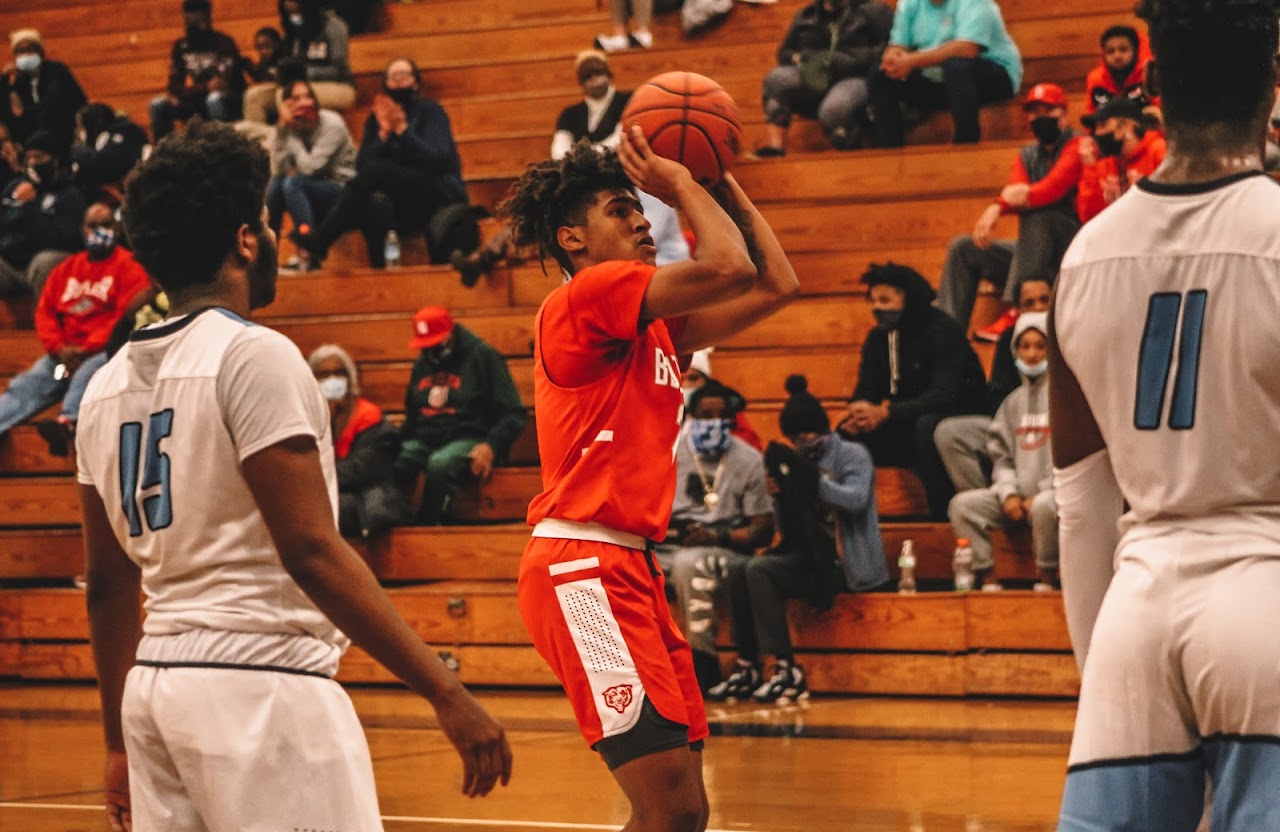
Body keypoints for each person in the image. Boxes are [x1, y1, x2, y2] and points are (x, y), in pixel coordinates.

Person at [78, 121, 510, 832]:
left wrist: (117, 743)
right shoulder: (255, 356)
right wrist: (446, 690)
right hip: (260, 689)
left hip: (154, 690)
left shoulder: (103, 386)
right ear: (248, 239)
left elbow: (107, 587)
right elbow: (310, 549)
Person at [503, 131, 798, 828]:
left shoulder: (653, 328)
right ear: (572, 238)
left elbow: (779, 283)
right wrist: (679, 186)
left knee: (685, 811)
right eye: (619, 210)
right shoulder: (587, 295)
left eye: (641, 209)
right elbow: (729, 265)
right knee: (665, 803)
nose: (642, 221)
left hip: (629, 567)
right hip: (582, 564)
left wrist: (727, 187)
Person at [1049, 0, 1280, 827]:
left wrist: (1101, 670)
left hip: (1134, 614)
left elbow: (1079, 503)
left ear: (1151, 89)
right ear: (1271, 85)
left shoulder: (1084, 254)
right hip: (1266, 596)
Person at [711, 374, 888, 704]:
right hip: (807, 555)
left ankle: (785, 667)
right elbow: (787, 526)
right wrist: (778, 497)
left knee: (761, 572)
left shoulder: (852, 455)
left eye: (810, 433)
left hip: (846, 563)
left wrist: (807, 481)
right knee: (741, 568)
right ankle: (748, 664)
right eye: (797, 436)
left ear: (822, 428)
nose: (805, 440)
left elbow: (855, 499)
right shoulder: (793, 461)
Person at [840, 262, 987, 521]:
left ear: (908, 299)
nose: (878, 308)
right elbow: (867, 388)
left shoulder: (943, 331)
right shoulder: (877, 338)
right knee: (844, 436)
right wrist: (859, 412)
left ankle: (941, 519)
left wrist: (887, 412)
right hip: (904, 418)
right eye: (873, 301)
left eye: (885, 300)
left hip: (955, 415)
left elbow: (944, 395)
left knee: (927, 427)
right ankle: (853, 522)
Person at [656, 380, 774, 692]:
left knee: (689, 563)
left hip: (725, 548)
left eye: (721, 416)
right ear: (690, 417)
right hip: (668, 541)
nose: (713, 423)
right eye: (705, 416)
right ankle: (645, 665)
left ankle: (703, 664)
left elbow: (763, 530)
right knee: (623, 563)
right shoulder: (667, 451)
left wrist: (717, 536)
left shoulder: (749, 459)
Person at [940, 83, 1081, 335]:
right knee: (963, 248)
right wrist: (1006, 202)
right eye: (1035, 112)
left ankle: (1019, 305)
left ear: (1064, 114)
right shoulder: (1027, 154)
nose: (1040, 118)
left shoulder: (1079, 145)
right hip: (1037, 253)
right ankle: (947, 334)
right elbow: (1016, 191)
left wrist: (997, 207)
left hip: (1073, 246)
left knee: (1040, 212)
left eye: (1048, 110)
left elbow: (1051, 189)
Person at [0, 203, 150, 442]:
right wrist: (59, 348)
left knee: (88, 373)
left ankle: (68, 422)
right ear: (82, 230)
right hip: (63, 354)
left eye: (106, 224)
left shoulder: (130, 266)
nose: (100, 231)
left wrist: (87, 349)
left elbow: (123, 318)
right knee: (28, 381)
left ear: (118, 229)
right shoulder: (66, 269)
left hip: (106, 352)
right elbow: (45, 313)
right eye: (93, 226)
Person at [298, 58, 466, 269]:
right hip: (398, 203)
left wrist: (403, 131)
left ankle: (321, 239)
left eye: (403, 75)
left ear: (416, 83)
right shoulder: (376, 118)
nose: (397, 80)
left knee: (378, 172)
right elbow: (361, 166)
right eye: (392, 76)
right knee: (374, 200)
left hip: (433, 192)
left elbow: (439, 159)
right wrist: (384, 136)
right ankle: (379, 271)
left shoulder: (430, 111)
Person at [947, 311, 1055, 591]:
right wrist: (1008, 494)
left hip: (1054, 496)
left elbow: (1071, 460)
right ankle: (988, 577)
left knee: (1044, 506)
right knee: (963, 505)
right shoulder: (1010, 403)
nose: (1031, 354)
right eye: (1024, 346)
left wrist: (1041, 492)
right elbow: (1001, 457)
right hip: (1015, 497)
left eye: (1040, 346)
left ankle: (1048, 576)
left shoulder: (1064, 397)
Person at [393, 306, 528, 525]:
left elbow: (513, 414)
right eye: (424, 346)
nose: (430, 351)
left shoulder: (483, 356)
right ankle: (395, 523)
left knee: (440, 463)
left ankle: (428, 528)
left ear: (449, 334)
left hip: (469, 437)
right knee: (391, 458)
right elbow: (412, 415)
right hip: (425, 438)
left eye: (434, 344)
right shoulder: (423, 363)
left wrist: (491, 445)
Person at [935, 276, 1049, 493]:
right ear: (1018, 309)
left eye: (1045, 300)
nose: (1039, 308)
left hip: (1054, 428)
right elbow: (997, 395)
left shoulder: (1071, 335)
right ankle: (994, 500)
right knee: (949, 432)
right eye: (1029, 303)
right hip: (1015, 424)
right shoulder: (1009, 339)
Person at [868, 0, 1022, 147]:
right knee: (881, 75)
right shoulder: (909, 3)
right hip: (940, 78)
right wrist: (893, 60)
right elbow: (897, 44)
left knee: (957, 67)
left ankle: (966, 145)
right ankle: (889, 151)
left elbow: (967, 49)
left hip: (994, 74)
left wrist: (910, 61)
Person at [756, 0, 894, 156]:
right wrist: (803, 59)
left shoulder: (873, 11)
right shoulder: (806, 15)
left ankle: (853, 155)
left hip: (857, 77)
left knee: (834, 109)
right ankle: (776, 149)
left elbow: (888, 49)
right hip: (814, 78)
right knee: (776, 79)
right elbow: (784, 53)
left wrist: (840, 61)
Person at [309, 344, 404, 538]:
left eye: (339, 373)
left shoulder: (372, 421)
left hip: (365, 502)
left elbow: (360, 470)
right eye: (324, 375)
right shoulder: (308, 419)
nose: (332, 380)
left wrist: (313, 478)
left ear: (350, 378)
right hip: (328, 494)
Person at [266, 79, 356, 271]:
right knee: (276, 185)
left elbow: (310, 168)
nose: (303, 103)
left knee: (292, 183)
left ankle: (308, 252)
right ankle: (268, 257)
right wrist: (281, 130)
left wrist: (290, 136)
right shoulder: (288, 127)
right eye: (295, 99)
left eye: (308, 96)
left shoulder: (332, 123)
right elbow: (277, 168)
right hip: (306, 187)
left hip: (343, 190)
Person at [0, 130, 86, 297]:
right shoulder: (15, 187)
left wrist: (30, 206)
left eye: (39, 157)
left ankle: (45, 320)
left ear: (55, 160)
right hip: (12, 262)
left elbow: (60, 239)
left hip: (42, 259)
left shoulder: (69, 194)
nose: (33, 163)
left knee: (46, 261)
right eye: (29, 158)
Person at [244, 0, 356, 125]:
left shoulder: (334, 27)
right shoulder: (294, 31)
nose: (294, 17)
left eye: (296, 11)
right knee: (254, 96)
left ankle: (289, 139)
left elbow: (339, 69)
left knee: (286, 95)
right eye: (289, 13)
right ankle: (259, 142)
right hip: (298, 84)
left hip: (338, 86)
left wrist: (305, 73)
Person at [149, 0, 247, 141]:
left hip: (230, 99)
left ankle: (224, 145)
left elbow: (222, 85)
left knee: (214, 99)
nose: (192, 23)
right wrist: (203, 87)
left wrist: (187, 92)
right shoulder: (181, 46)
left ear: (207, 17)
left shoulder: (223, 42)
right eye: (189, 20)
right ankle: (163, 154)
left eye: (197, 19)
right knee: (158, 104)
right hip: (196, 99)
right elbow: (174, 87)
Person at [1076, 96, 1167, 223]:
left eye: (1103, 125)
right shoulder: (1103, 165)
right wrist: (1090, 168)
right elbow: (1088, 217)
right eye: (1095, 127)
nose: (1097, 133)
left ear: (1127, 126)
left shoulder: (1158, 151)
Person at [0, 29, 87, 162]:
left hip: (64, 138)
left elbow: (52, 105)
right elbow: (10, 113)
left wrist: (25, 112)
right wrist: (4, 80)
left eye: (30, 49)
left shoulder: (57, 71)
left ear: (40, 52)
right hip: (34, 145)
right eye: (21, 51)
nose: (26, 55)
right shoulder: (19, 80)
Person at [681, 348, 763, 450]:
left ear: (706, 380)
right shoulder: (665, 415)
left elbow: (750, 447)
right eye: (680, 379)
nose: (686, 384)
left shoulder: (726, 412)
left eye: (693, 378)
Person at [71, 104, 150, 207]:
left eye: (81, 128)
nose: (79, 133)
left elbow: (102, 164)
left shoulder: (120, 134)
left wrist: (75, 150)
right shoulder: (125, 131)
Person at [1084, 24, 1154, 117]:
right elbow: (1091, 116)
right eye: (1110, 51)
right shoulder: (1096, 79)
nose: (1117, 56)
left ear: (1136, 51)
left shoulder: (1149, 75)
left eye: (1123, 50)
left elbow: (1159, 116)